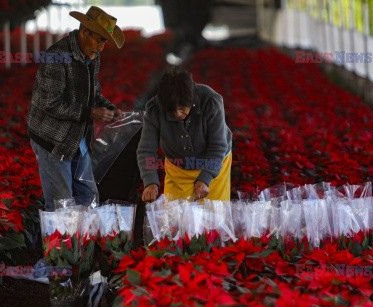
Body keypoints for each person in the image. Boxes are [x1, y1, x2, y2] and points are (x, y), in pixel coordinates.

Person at [27, 6, 125, 211]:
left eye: (104, 42)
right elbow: (51, 104)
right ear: (84, 32)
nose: (101, 48)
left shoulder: (92, 55)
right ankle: (61, 242)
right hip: (53, 141)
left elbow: (94, 93)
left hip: (76, 138)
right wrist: (90, 113)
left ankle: (82, 241)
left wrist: (109, 108)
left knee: (89, 199)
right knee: (61, 205)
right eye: (99, 40)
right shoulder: (57, 57)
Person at [137, 67, 232, 202]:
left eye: (182, 109)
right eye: (171, 111)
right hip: (178, 165)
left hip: (213, 162)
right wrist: (150, 182)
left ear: (191, 100)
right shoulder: (155, 108)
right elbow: (146, 149)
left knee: (213, 216)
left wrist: (205, 178)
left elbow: (217, 146)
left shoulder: (211, 101)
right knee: (176, 217)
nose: (177, 114)